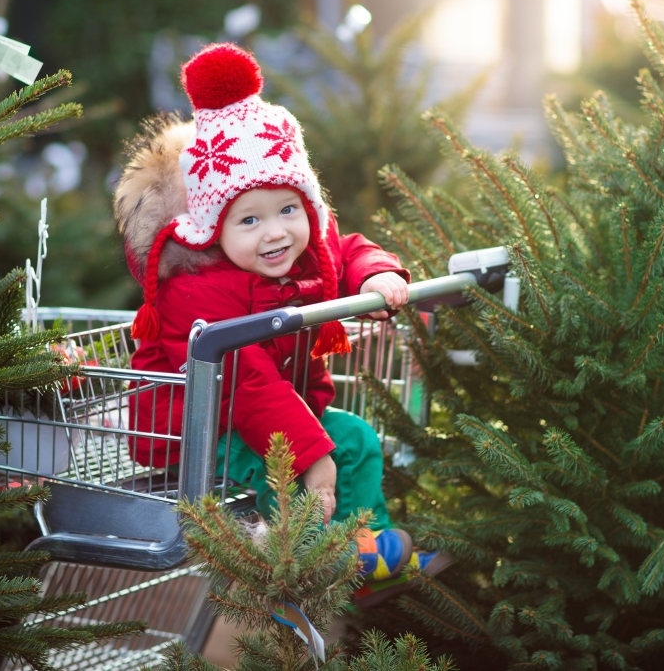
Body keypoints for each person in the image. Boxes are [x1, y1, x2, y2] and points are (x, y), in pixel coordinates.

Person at [113, 43, 449, 605]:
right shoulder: (194, 287)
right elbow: (247, 383)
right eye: (249, 219)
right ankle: (311, 562)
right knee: (297, 469)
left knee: (357, 439)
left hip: (277, 414)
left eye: (288, 209)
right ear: (211, 230)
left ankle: (365, 544)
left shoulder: (300, 250)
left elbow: (344, 250)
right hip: (199, 431)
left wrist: (373, 276)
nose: (275, 233)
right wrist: (313, 457)